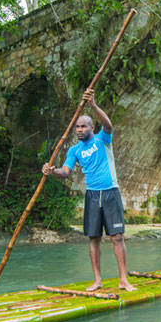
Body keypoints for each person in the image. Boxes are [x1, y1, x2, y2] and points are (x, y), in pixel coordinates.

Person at [42, 88, 136, 292]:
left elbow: (109, 125)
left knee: (117, 237)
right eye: (77, 127)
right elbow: (65, 172)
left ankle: (123, 279)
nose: (79, 130)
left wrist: (93, 105)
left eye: (83, 126)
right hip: (92, 195)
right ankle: (97, 280)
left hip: (111, 192)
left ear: (92, 127)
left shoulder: (103, 139)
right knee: (93, 237)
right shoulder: (75, 150)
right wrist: (51, 170)